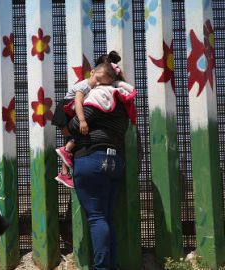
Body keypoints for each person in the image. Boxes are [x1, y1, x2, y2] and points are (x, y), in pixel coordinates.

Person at [67, 54, 137, 269]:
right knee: (106, 217)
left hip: (92, 159)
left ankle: (102, 268)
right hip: (114, 161)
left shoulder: (99, 96)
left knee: (97, 218)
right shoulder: (121, 101)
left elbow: (74, 126)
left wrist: (71, 116)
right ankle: (110, 266)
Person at [52, 51, 125, 188]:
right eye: (98, 79)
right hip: (64, 110)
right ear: (92, 71)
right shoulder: (84, 86)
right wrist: (83, 120)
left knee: (74, 137)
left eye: (101, 82)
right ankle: (65, 163)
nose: (98, 83)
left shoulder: (93, 86)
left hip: (70, 109)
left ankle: (64, 171)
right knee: (73, 136)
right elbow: (78, 103)